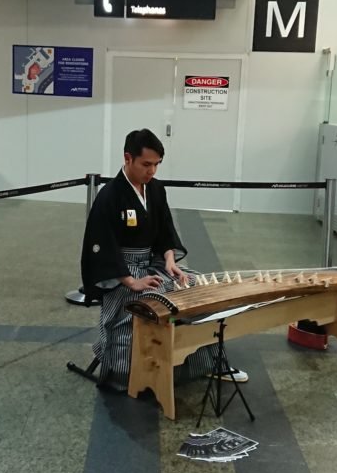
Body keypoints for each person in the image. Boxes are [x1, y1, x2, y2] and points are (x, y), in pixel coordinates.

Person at [80, 129, 246, 392]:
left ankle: (209, 362)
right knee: (156, 297)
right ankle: (134, 371)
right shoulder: (110, 196)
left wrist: (170, 260)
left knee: (195, 285)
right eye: (146, 164)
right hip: (124, 270)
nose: (152, 171)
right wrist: (131, 280)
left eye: (157, 164)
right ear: (128, 158)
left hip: (153, 263)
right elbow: (101, 245)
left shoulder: (155, 190)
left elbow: (165, 230)